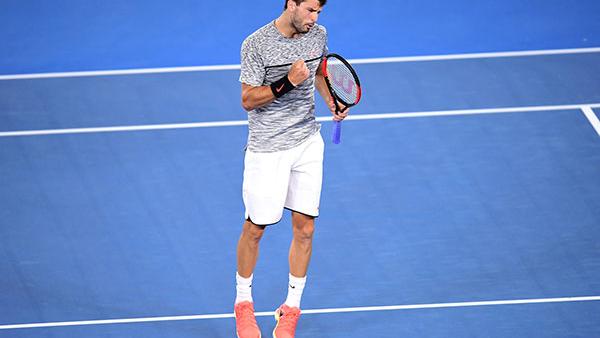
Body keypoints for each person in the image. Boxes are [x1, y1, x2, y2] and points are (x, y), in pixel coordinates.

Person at [234, 0, 347, 337]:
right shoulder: (255, 43)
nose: (315, 19)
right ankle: (243, 306)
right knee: (255, 229)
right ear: (291, 4)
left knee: (306, 229)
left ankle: (291, 309)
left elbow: (318, 72)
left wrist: (332, 101)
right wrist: (287, 82)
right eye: (310, 10)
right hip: (267, 149)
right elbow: (247, 99)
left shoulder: (318, 35)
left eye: (319, 13)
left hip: (307, 142)